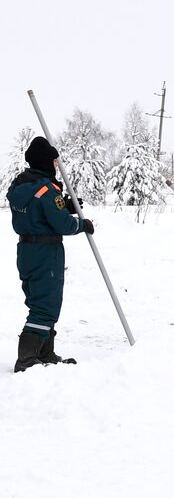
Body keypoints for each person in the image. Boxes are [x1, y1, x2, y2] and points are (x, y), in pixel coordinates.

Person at [8, 136, 90, 371]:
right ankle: (27, 358)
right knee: (46, 303)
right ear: (45, 162)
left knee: (38, 300)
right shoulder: (47, 188)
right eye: (54, 162)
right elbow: (62, 224)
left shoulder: (20, 186)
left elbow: (39, 212)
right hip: (46, 251)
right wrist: (81, 224)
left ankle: (44, 352)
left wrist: (63, 206)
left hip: (26, 250)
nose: (56, 166)